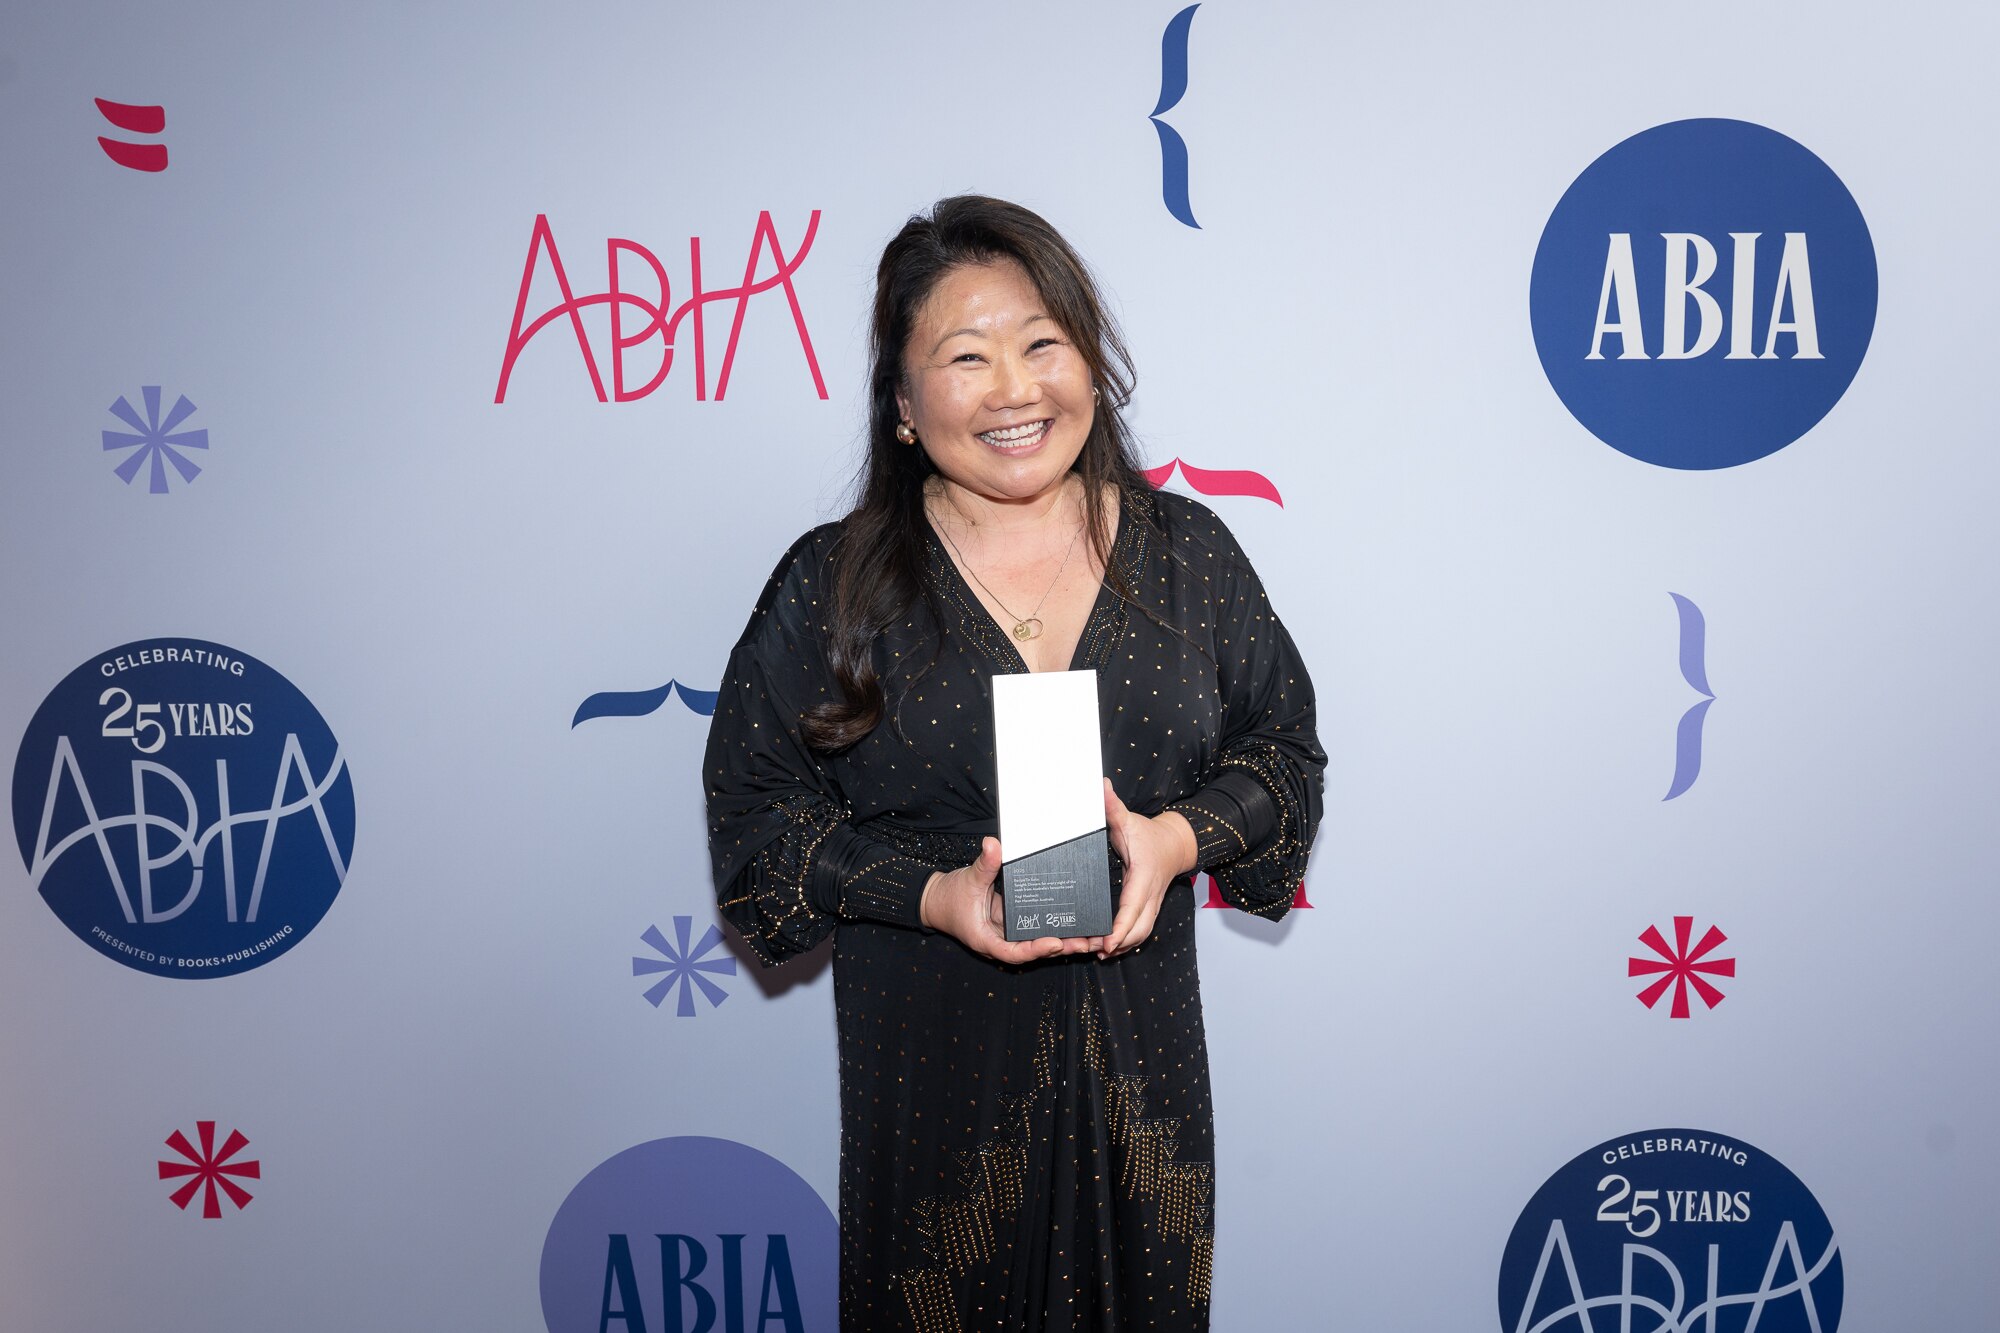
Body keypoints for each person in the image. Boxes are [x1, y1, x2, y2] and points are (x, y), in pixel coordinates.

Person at [705, 195, 1324, 1332]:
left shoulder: (1189, 554)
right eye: (964, 356)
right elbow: (756, 830)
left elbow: (1282, 753)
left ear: (1089, 364)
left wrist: (1174, 839)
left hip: (1145, 1095)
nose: (1013, 388)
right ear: (901, 403)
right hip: (935, 1091)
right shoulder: (831, 586)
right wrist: (931, 896)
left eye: (1042, 343)